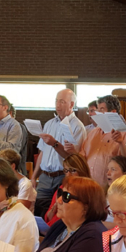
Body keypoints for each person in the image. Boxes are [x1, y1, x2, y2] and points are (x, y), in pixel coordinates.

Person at [31, 89, 86, 217]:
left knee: (58, 212)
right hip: (44, 177)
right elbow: (42, 153)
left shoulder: (77, 126)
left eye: (62, 102)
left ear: (71, 105)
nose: (57, 105)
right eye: (56, 101)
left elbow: (74, 159)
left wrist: (55, 144)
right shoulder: (50, 124)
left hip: (63, 176)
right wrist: (34, 176)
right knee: (39, 210)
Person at [66, 95, 126, 187]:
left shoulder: (125, 134)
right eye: (98, 110)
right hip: (89, 185)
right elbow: (83, 157)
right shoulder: (93, 133)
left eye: (101, 110)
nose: (97, 113)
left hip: (110, 188)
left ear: (112, 112)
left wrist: (121, 143)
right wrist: (72, 151)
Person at [44, 154, 92, 227]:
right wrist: (53, 210)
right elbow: (48, 218)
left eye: (73, 170)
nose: (68, 174)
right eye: (66, 170)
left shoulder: (88, 190)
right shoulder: (61, 188)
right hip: (52, 228)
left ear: (82, 170)